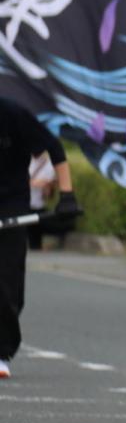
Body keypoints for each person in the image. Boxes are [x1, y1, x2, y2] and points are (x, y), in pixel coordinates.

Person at [0, 99, 79, 381]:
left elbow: (54, 149)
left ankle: (1, 351)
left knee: (7, 281)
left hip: (10, 204)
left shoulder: (13, 113)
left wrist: (67, 195)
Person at [27, 154, 56, 251]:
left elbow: (48, 184)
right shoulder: (26, 160)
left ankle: (36, 246)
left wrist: (44, 184)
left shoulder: (48, 164)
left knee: (36, 227)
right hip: (25, 203)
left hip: (38, 204)